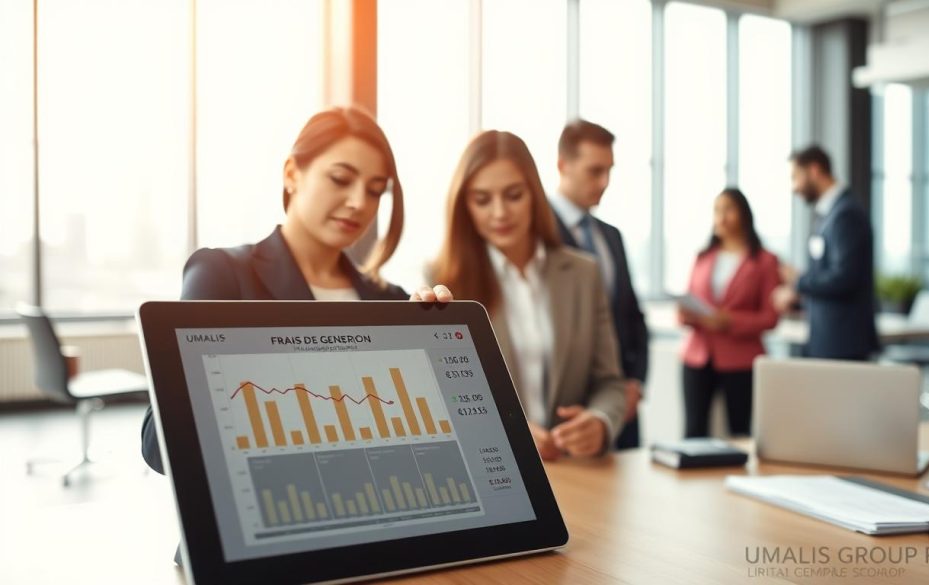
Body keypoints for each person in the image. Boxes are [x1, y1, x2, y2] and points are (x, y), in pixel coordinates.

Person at [141, 107, 452, 474]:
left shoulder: (394, 301)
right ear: (292, 174)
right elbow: (157, 446)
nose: (359, 203)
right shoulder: (223, 275)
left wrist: (434, 362)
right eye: (340, 179)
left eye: (374, 191)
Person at [432, 130, 626, 461]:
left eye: (513, 195)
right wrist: (503, 429)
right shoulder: (441, 283)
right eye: (482, 200)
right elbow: (439, 399)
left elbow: (611, 383)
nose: (500, 213)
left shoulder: (583, 274)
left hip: (571, 471)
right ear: (465, 206)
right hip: (491, 471)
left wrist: (600, 421)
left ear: (534, 194)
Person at [548, 119, 649, 450]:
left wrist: (633, 383)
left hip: (621, 402)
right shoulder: (536, 234)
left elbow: (632, 316)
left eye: (609, 171)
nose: (604, 182)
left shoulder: (611, 236)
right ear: (563, 166)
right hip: (567, 416)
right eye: (594, 171)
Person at [678, 188, 781, 437]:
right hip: (697, 356)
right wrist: (686, 314)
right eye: (717, 210)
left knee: (740, 433)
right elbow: (687, 301)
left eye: (728, 209)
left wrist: (729, 321)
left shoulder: (765, 261)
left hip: (741, 359)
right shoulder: (702, 257)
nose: (721, 217)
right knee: (693, 431)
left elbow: (770, 317)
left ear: (744, 215)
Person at [772, 145, 879, 361]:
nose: (794, 188)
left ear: (814, 170)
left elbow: (845, 277)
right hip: (828, 338)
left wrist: (799, 282)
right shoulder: (828, 214)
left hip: (843, 341)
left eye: (796, 177)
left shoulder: (846, 214)